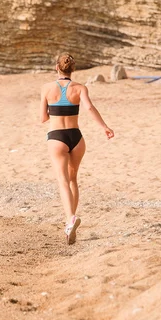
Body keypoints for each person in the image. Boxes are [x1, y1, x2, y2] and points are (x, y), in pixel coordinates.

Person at [40, 54, 114, 245]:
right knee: (73, 179)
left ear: (57, 67)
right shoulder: (80, 88)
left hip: (57, 137)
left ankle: (70, 219)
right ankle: (69, 221)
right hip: (76, 137)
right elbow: (89, 108)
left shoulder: (47, 88)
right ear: (73, 69)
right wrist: (105, 127)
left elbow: (43, 118)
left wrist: (55, 110)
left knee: (62, 180)